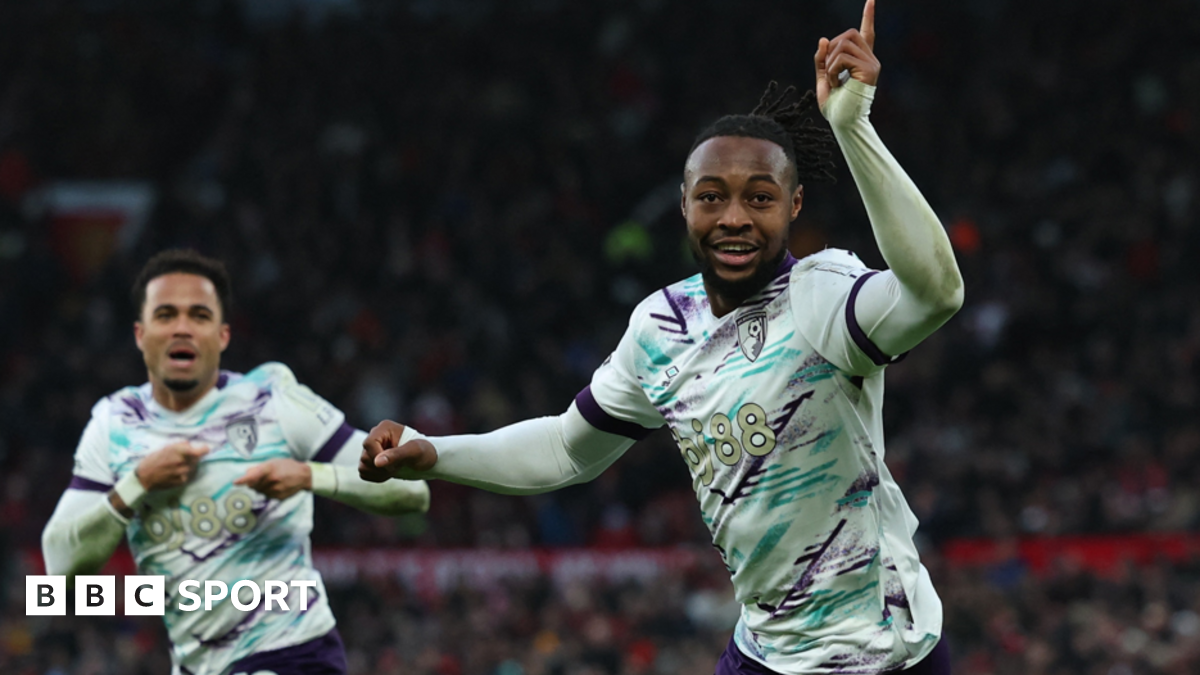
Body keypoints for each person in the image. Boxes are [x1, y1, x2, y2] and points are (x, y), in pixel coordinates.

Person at [362, 1, 960, 673]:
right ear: (684, 205)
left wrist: (853, 129)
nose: (733, 217)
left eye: (759, 197)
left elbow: (937, 291)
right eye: (712, 196)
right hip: (765, 652)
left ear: (793, 205)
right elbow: (565, 449)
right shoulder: (661, 328)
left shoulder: (820, 297)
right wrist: (435, 452)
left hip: (883, 654)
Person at [41, 249, 430, 675]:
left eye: (199, 315)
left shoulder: (274, 402)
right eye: (166, 315)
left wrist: (308, 475)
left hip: (296, 654)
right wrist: (136, 484)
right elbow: (60, 567)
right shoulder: (114, 423)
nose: (183, 328)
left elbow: (413, 492)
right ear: (140, 333)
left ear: (223, 335)